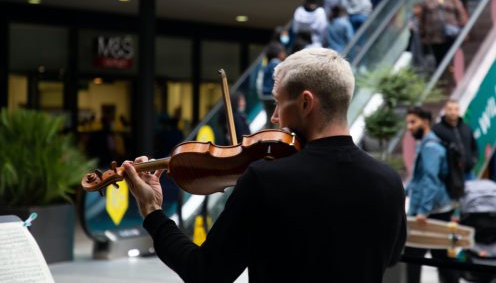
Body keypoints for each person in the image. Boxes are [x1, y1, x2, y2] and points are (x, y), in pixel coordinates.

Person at [123, 47, 407, 283]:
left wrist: (152, 211)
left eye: (278, 103)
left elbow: (204, 272)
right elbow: (391, 256)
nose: (274, 118)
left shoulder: (266, 180)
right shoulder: (390, 181)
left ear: (306, 103)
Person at [404, 106, 459, 283]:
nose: (409, 127)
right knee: (440, 258)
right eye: (408, 123)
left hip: (432, 213)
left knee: (414, 257)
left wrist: (423, 210)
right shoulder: (426, 144)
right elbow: (418, 178)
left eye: (413, 122)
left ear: (426, 122)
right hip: (434, 210)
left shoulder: (431, 147)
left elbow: (430, 180)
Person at [418, 0, 468, 67]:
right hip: (435, 37)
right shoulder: (429, 1)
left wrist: (463, 30)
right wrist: (423, 36)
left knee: (452, 60)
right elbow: (422, 20)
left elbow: (461, 15)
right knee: (439, 60)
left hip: (451, 35)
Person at [432, 99, 478, 180]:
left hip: (468, 173)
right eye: (450, 109)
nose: (453, 112)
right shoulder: (437, 130)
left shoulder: (466, 127)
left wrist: (473, 160)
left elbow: (474, 146)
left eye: (456, 109)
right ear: (445, 110)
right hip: (450, 177)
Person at [260, 41, 286, 128]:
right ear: (278, 53)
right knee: (277, 120)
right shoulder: (277, 64)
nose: (284, 54)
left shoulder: (267, 65)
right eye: (283, 51)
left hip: (264, 96)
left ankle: (267, 137)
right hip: (272, 96)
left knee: (269, 120)